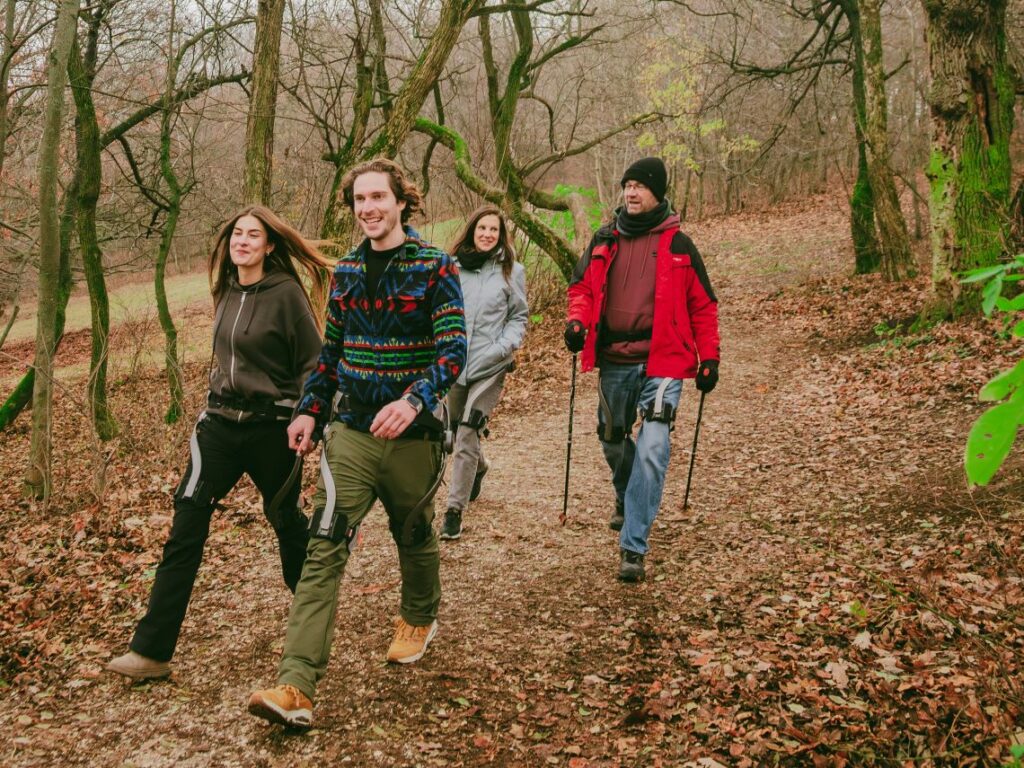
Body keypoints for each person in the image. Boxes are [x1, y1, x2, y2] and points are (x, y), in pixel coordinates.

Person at [247, 158, 466, 728]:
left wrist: (413, 399)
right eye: (359, 200)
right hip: (351, 433)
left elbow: (452, 353)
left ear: (401, 202)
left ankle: (419, 615)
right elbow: (330, 355)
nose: (368, 208)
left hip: (413, 434)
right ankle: (295, 683)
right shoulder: (345, 272)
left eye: (378, 197)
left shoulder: (435, 267)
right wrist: (310, 412)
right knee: (325, 544)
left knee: (413, 534)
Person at [106, 206, 333, 680]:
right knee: (186, 524)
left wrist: (309, 414)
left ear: (270, 246)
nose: (243, 241)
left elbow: (314, 364)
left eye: (254, 235)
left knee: (285, 519)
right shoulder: (226, 289)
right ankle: (151, 651)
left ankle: (313, 617)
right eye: (237, 234)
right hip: (219, 429)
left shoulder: (286, 294)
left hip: (272, 428)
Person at [564, 157, 720, 583]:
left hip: (663, 362)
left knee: (652, 448)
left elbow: (703, 306)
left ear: (658, 191)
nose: (631, 193)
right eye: (627, 185)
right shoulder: (603, 239)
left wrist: (710, 358)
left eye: (640, 186)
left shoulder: (680, 247)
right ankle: (626, 493)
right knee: (613, 441)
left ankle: (633, 546)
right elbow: (580, 287)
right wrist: (577, 321)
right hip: (614, 359)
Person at [439, 205, 528, 540]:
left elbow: (519, 317)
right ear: (472, 231)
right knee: (450, 435)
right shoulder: (451, 268)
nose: (488, 234)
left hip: (490, 366)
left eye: (494, 230)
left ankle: (453, 510)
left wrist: (503, 347)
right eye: (482, 229)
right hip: (455, 364)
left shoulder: (511, 271)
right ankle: (480, 466)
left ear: (501, 235)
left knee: (467, 431)